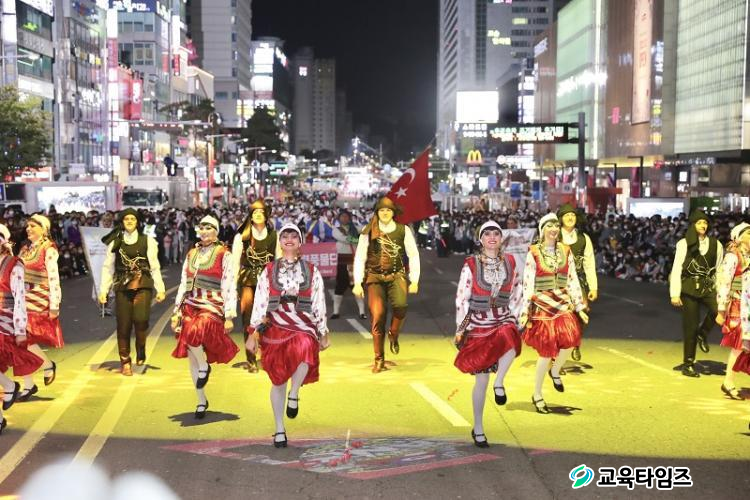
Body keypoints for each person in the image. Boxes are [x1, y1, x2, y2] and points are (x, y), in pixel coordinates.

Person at [245, 223, 330, 448]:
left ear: (300, 242)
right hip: (274, 322)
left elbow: (319, 301)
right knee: (278, 380)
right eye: (285, 236)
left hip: (302, 321)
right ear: (280, 242)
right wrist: (253, 332)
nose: (289, 239)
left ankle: (295, 393)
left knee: (306, 345)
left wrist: (322, 331)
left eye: (294, 236)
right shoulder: (268, 269)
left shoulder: (311, 270)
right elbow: (260, 301)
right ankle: (279, 428)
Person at [454, 220, 523, 447]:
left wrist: (516, 316)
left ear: (501, 238)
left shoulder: (510, 261)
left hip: (502, 317)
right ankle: (478, 427)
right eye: (487, 234)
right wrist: (462, 327)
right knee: (481, 380)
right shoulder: (471, 264)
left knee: (511, 334)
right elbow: (462, 297)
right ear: (480, 239)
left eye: (496, 234)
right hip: (478, 323)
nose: (492, 237)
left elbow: (518, 290)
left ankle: (500, 383)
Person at [519, 213, 587, 414]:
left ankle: (555, 370)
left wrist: (579, 307)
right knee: (546, 352)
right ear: (542, 230)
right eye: (549, 226)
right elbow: (527, 282)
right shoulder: (533, 252)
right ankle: (537, 394)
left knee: (571, 339)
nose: (554, 229)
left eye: (556, 225)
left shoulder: (565, 250)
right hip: (543, 305)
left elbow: (572, 279)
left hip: (563, 303)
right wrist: (525, 310)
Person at [172, 215, 238, 419]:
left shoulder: (224, 254)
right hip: (190, 304)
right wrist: (176, 311)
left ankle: (204, 366)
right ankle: (201, 400)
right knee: (191, 356)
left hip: (212, 305)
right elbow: (183, 283)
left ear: (216, 231)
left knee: (195, 329)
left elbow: (229, 283)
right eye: (202, 228)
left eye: (209, 228)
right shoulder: (191, 253)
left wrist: (229, 314)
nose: (204, 231)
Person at [352, 197, 420, 373]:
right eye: (382, 210)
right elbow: (360, 257)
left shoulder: (403, 230)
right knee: (377, 316)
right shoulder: (368, 231)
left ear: (393, 212)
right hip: (374, 278)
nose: (385, 213)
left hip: (397, 276)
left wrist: (414, 279)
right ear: (377, 212)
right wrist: (358, 282)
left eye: (388, 210)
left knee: (401, 306)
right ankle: (379, 359)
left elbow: (413, 255)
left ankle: (394, 333)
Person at [99, 209, 166, 376]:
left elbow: (155, 266)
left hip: (143, 283)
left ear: (137, 222)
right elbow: (108, 267)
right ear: (122, 222)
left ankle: (141, 348)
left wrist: (161, 288)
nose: (129, 221)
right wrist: (103, 290)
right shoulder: (115, 241)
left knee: (141, 320)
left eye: (133, 219)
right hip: (122, 286)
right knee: (123, 325)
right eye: (126, 219)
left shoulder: (148, 240)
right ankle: (125, 361)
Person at [0, 224, 43, 434]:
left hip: (5, 320)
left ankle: (9, 387)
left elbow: (19, 299)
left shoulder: (13, 264)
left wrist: (19, 329)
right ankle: (8, 389)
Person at [669, 209, 722, 377]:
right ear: (693, 225)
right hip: (688, 287)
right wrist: (675, 293)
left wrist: (721, 292)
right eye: (699, 223)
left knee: (718, 310)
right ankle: (688, 364)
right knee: (690, 327)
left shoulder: (716, 244)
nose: (703, 225)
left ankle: (703, 333)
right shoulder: (683, 244)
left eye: (705, 223)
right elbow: (677, 268)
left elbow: (719, 270)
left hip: (708, 286)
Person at [17, 215, 61, 400]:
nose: (28, 229)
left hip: (39, 299)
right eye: (27, 226)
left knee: (23, 339)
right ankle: (29, 384)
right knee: (19, 341)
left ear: (43, 229)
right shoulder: (24, 249)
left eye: (33, 226)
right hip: (21, 298)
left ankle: (47, 365)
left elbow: (53, 277)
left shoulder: (49, 249)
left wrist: (55, 304)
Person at [232, 199, 278, 373]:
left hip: (268, 281)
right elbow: (235, 262)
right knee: (248, 319)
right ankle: (251, 359)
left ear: (267, 215)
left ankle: (268, 356)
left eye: (261, 212)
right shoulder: (242, 236)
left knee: (268, 319)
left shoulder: (274, 235)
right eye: (255, 212)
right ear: (250, 216)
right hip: (247, 281)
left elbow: (278, 260)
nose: (258, 215)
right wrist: (232, 287)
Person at [557, 204, 597, 362]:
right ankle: (558, 355)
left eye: (572, 215)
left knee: (581, 314)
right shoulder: (554, 236)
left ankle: (575, 343)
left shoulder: (584, 238)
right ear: (560, 219)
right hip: (558, 282)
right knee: (560, 317)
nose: (570, 218)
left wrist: (593, 287)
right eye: (566, 215)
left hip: (579, 282)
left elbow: (589, 263)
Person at [714, 222, 750, 400]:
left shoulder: (748, 255)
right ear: (739, 237)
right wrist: (721, 310)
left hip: (748, 304)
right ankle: (728, 382)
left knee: (746, 346)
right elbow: (724, 283)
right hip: (738, 306)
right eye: (748, 233)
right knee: (740, 345)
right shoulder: (732, 256)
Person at [331, 210, 366, 320]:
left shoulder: (355, 228)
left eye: (346, 216)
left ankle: (362, 312)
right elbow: (344, 239)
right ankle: (336, 312)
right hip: (343, 261)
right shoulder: (336, 230)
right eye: (342, 216)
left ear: (349, 218)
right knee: (340, 285)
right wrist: (357, 240)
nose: (344, 218)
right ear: (339, 218)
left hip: (355, 261)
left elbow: (366, 229)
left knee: (357, 285)